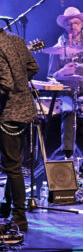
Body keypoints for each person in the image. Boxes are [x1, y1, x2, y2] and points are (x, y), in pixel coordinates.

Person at [0, 28, 40, 232]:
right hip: (25, 110)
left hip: (8, 112)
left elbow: (4, 82)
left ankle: (19, 217)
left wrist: (14, 87)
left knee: (12, 167)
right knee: (13, 163)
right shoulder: (16, 40)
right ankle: (7, 208)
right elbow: (34, 66)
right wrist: (21, 84)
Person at [47, 7, 83, 158]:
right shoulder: (57, 49)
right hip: (67, 90)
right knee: (68, 111)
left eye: (76, 23)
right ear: (64, 26)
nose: (73, 26)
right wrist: (61, 73)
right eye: (69, 23)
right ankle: (68, 152)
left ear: (81, 24)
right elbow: (50, 76)